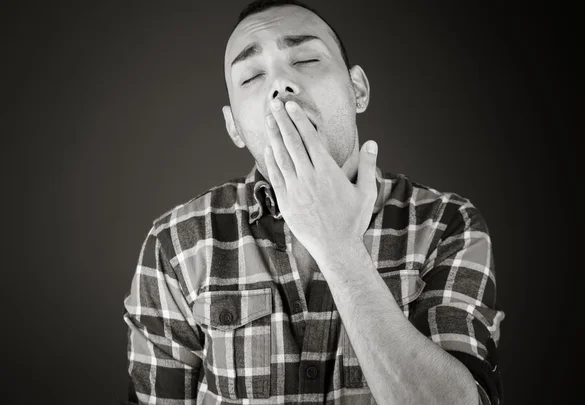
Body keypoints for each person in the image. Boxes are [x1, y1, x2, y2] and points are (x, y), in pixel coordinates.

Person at [122, 1, 505, 404]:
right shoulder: (175, 244)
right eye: (252, 76)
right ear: (234, 126)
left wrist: (338, 246)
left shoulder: (447, 225)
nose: (280, 84)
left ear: (357, 89)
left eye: (305, 58)